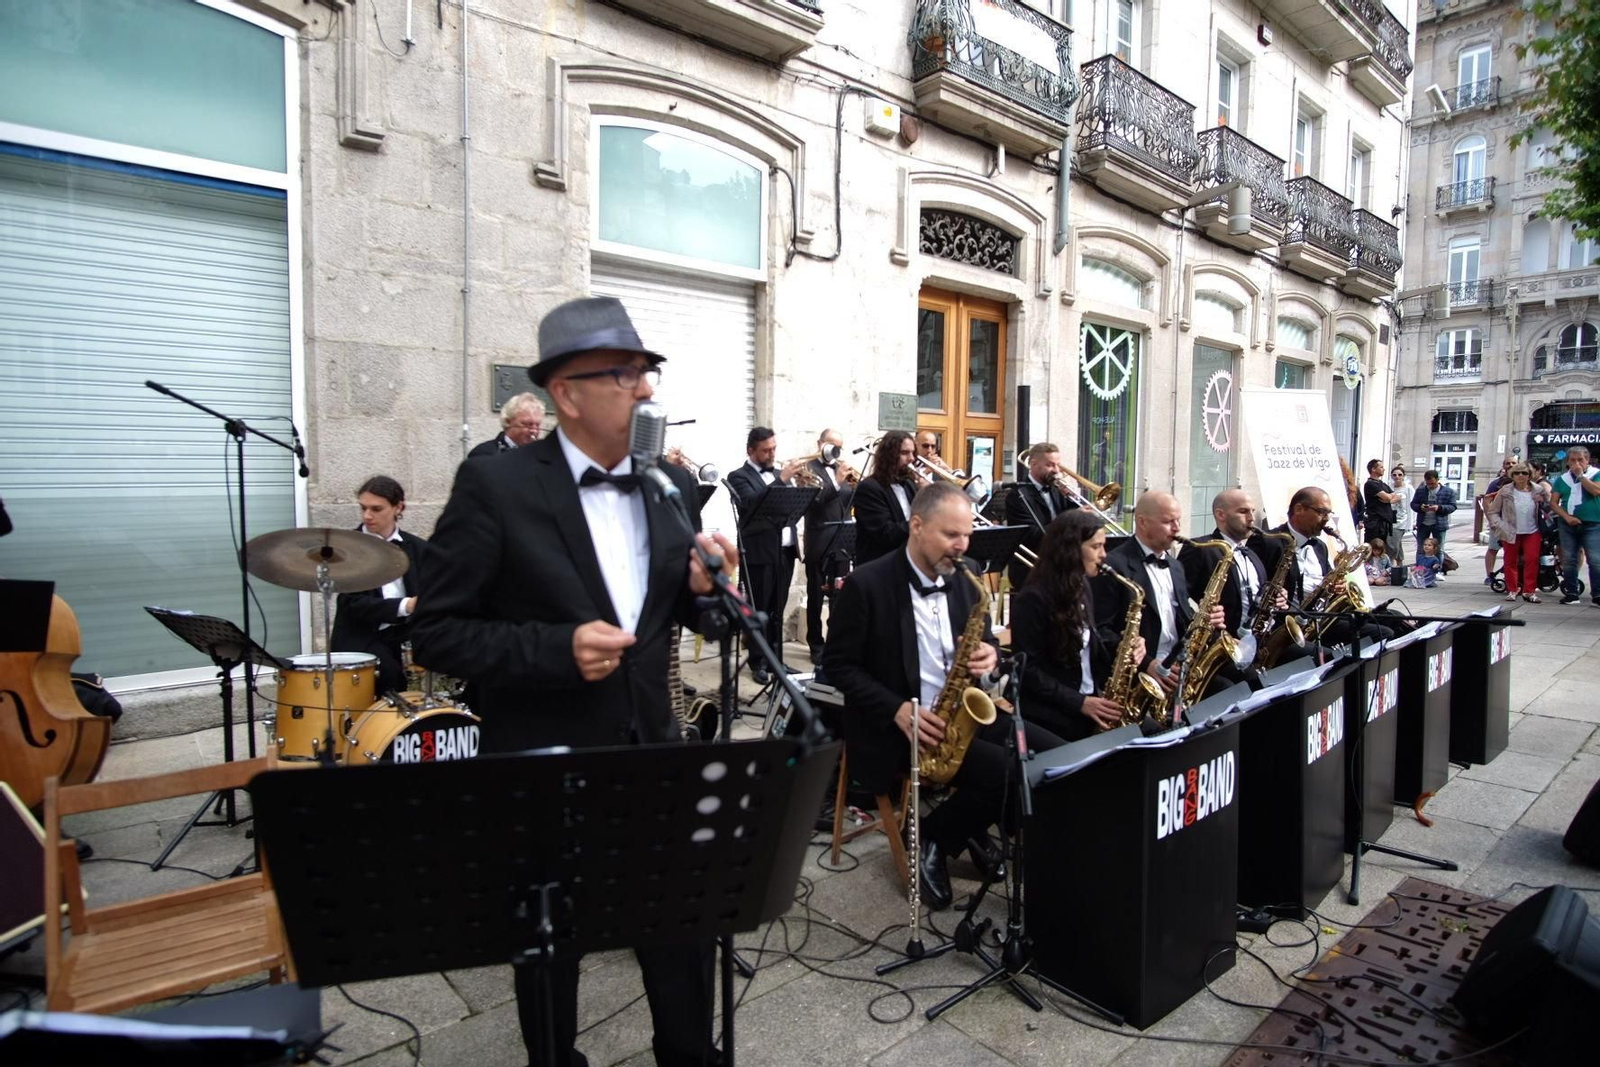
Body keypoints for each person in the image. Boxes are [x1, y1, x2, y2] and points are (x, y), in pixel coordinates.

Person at [411, 295, 735, 1067]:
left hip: (653, 760)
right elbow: (436, 629)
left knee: (679, 938)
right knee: (551, 950)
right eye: (625, 373)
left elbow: (694, 617)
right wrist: (554, 648)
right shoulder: (496, 486)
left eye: (645, 372)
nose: (646, 389)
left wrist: (709, 591)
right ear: (567, 392)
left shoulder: (664, 487)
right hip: (544, 769)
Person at [824, 479, 1063, 911]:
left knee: (1051, 756)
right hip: (897, 725)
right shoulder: (867, 584)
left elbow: (986, 642)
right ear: (916, 526)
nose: (962, 545)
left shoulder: (966, 579)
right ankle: (936, 835)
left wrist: (990, 655)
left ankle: (976, 828)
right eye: (951, 535)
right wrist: (897, 709)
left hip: (960, 714)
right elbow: (836, 667)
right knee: (1004, 772)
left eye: (967, 534)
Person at [1011, 511, 1143, 740]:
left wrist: (1126, 647)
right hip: (1053, 713)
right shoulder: (1032, 598)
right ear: (1071, 549)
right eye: (1096, 547)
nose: (1104, 555)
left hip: (1090, 701)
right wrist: (1080, 702)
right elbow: (1027, 670)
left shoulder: (1082, 586)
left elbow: (1089, 646)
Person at [1092, 492, 1226, 701]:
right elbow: (1100, 631)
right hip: (1138, 676)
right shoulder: (1114, 566)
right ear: (1143, 522)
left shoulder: (1175, 566)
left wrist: (1205, 621)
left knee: (1228, 691)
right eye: (1168, 521)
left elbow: (1180, 618)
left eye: (1178, 520)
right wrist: (1147, 663)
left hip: (1177, 667)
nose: (1177, 528)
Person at [1252, 487, 1393, 647]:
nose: (1327, 519)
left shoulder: (1320, 546)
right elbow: (1255, 585)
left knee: (1389, 625)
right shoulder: (1270, 541)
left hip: (1320, 618)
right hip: (1287, 625)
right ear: (1299, 509)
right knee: (1377, 636)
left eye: (1329, 513)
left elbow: (1327, 580)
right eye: (1322, 512)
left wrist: (1337, 587)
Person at [329, 475, 430, 695]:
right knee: (391, 674)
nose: (367, 516)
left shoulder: (418, 547)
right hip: (362, 636)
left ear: (398, 507)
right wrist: (407, 605)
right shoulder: (348, 548)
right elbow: (353, 604)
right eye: (363, 508)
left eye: (376, 509)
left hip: (405, 634)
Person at [727, 427, 805, 683]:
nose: (772, 454)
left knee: (777, 610)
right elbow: (750, 505)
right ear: (751, 451)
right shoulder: (739, 476)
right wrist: (781, 480)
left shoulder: (776, 474)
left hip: (784, 551)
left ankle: (776, 660)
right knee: (759, 609)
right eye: (766, 450)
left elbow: (792, 508)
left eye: (774, 448)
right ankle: (758, 661)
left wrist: (799, 490)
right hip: (759, 553)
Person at [1179, 489, 1284, 658]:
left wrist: (1275, 597)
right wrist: (1201, 617)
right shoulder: (1201, 548)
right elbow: (1177, 598)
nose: (1251, 518)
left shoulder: (1250, 552)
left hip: (1258, 641)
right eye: (1243, 511)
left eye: (1252, 511)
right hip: (1223, 645)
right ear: (1221, 515)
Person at [801, 428, 856, 665]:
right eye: (832, 445)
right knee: (815, 595)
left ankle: (836, 641)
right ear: (820, 443)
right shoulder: (807, 469)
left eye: (839, 447)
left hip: (841, 539)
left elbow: (849, 500)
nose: (836, 450)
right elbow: (812, 503)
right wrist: (838, 481)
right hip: (818, 539)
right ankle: (815, 643)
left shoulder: (840, 468)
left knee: (840, 595)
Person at [1004, 443, 1076, 591]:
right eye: (1050, 465)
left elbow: (1075, 526)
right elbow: (1032, 535)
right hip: (1030, 568)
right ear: (1033, 464)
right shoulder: (1017, 494)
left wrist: (1074, 501)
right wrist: (1069, 519)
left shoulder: (1058, 489)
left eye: (1057, 465)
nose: (1056, 470)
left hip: (1060, 562)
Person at [1484, 462, 1550, 603]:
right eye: (1517, 473)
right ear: (1512, 475)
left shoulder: (1538, 489)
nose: (1521, 476)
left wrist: (1543, 501)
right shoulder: (1505, 490)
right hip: (1511, 531)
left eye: (1524, 473)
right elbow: (1493, 511)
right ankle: (1512, 590)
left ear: (1529, 475)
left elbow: (1550, 506)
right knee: (1510, 561)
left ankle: (1529, 591)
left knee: (1532, 560)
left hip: (1532, 530)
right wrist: (1500, 526)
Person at [852, 430, 918, 566]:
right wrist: (924, 525)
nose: (911, 458)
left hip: (907, 562)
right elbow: (886, 533)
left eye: (913, 453)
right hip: (880, 566)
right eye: (904, 453)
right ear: (889, 455)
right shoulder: (869, 488)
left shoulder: (909, 484)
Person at [1550, 445, 1600, 606]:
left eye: (1580, 460)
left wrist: (1581, 476)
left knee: (1595, 559)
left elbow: (1596, 491)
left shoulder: (1596, 474)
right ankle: (1572, 592)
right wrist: (1566, 516)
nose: (1576, 463)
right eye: (1573, 460)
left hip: (1593, 523)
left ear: (1587, 460)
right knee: (1569, 558)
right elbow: (1554, 503)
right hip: (1567, 523)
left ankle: (1597, 594)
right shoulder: (1562, 479)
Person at [468, 391, 544, 457]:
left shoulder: (542, 455)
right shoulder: (484, 453)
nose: (534, 431)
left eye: (537, 425)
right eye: (528, 424)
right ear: (508, 422)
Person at [1479, 457, 1516, 587]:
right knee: (1493, 548)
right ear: (1503, 466)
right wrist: (1492, 521)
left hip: (1515, 523)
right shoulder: (1496, 483)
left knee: (1512, 551)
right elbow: (1487, 501)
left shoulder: (1522, 482)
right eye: (1508, 463)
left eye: (1513, 463)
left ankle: (1510, 575)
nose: (1510, 465)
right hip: (1499, 522)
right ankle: (1489, 575)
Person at [1410, 470, 1457, 564]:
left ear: (1438, 480)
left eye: (1432, 483)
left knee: (1439, 549)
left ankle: (1437, 569)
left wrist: (1439, 508)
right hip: (1423, 523)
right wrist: (1420, 507)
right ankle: (1420, 569)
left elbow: (1453, 506)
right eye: (1428, 484)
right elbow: (1413, 504)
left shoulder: (1448, 491)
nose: (1430, 486)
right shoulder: (1421, 491)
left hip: (1439, 524)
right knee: (1421, 548)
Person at [1361, 459, 1399, 558]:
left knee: (1383, 549)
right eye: (1381, 467)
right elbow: (1387, 497)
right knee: (1373, 547)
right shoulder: (1370, 484)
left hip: (1385, 522)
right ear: (1373, 469)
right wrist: (1388, 498)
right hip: (1375, 522)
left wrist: (1388, 499)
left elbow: (1396, 496)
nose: (1384, 469)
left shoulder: (1382, 484)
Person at [1389, 465, 1415, 565]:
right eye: (1394, 475)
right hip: (1391, 518)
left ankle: (1390, 564)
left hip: (1402, 519)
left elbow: (1411, 505)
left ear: (1404, 476)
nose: (1397, 477)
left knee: (1393, 543)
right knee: (1397, 542)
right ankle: (1400, 564)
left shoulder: (1408, 488)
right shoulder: (1389, 487)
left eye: (1400, 475)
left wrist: (1412, 522)